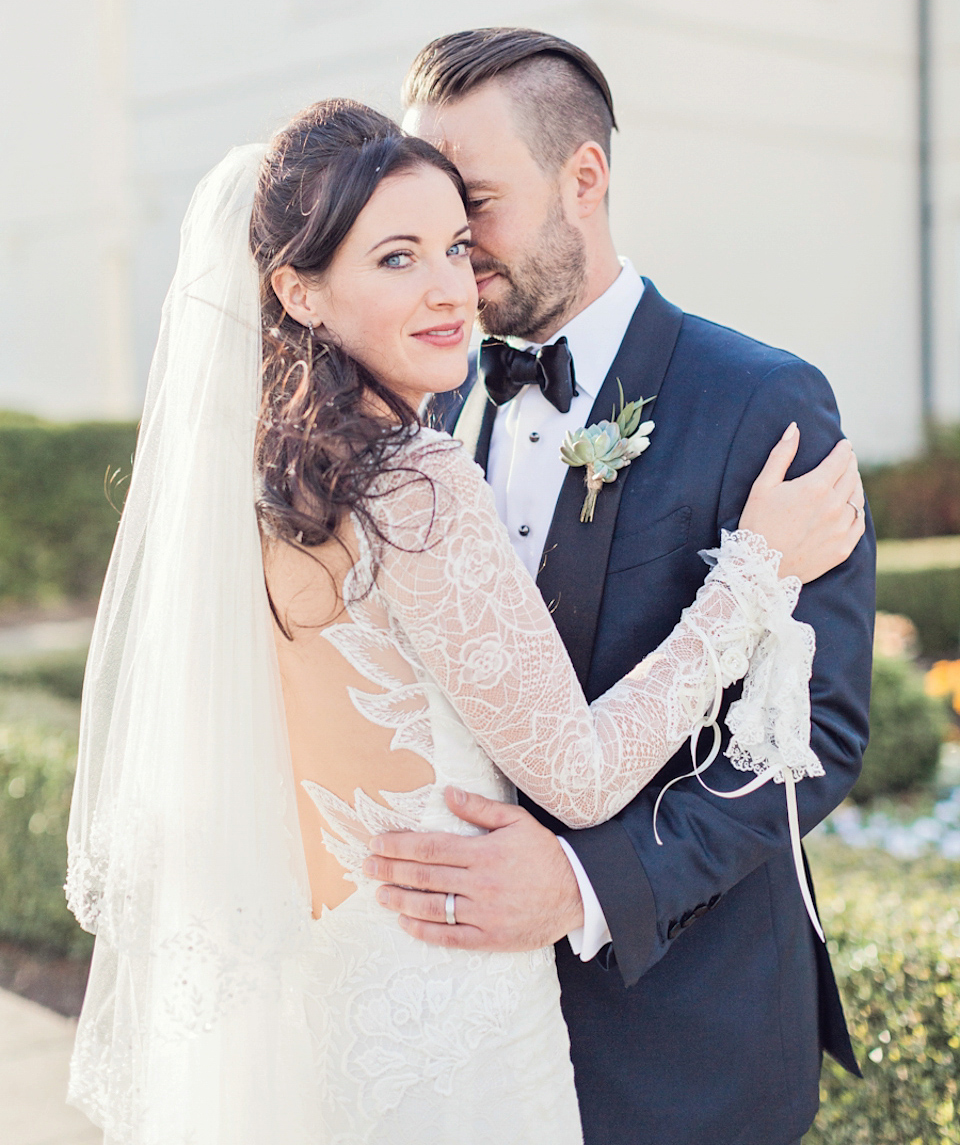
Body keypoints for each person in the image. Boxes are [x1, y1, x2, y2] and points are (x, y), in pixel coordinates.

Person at [65, 98, 864, 1145]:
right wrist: (751, 576)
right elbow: (573, 771)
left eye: (457, 236)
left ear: (585, 175)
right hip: (452, 1007)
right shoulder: (420, 474)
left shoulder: (267, 476)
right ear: (298, 290)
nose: (452, 282)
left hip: (338, 1000)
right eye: (397, 258)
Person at [362, 28, 877, 1145]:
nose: (455, 257)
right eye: (428, 227)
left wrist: (583, 886)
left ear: (583, 179)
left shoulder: (763, 401)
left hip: (686, 1038)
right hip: (464, 1029)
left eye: (477, 209)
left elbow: (812, 735)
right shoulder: (425, 412)